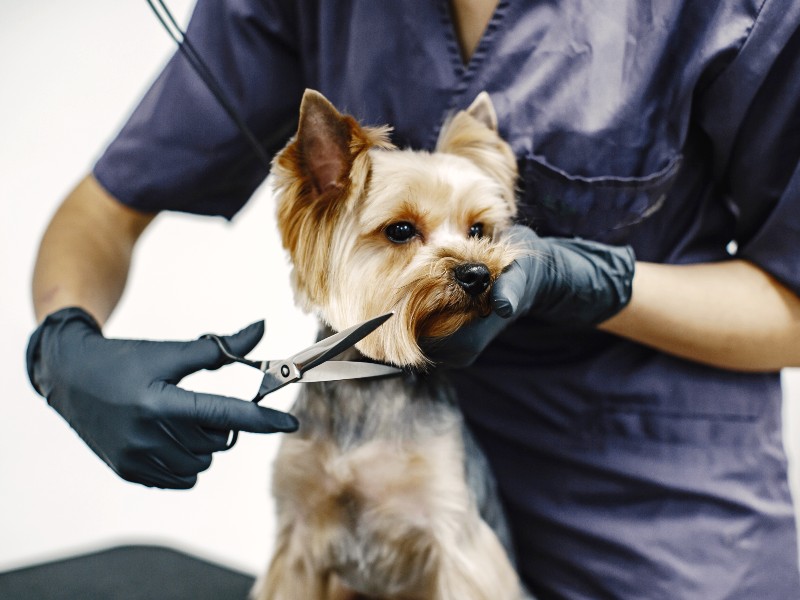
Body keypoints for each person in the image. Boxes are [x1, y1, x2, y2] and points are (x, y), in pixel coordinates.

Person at [26, 1, 800, 598]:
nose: (459, 260)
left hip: (663, 515)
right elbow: (102, 208)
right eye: (403, 230)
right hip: (371, 428)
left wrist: (598, 280)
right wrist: (66, 343)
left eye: (476, 229)